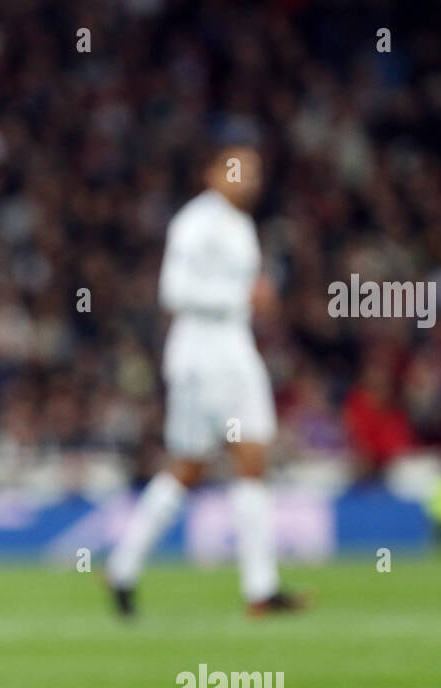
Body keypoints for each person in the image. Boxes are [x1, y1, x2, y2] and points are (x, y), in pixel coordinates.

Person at [106, 143, 304, 617]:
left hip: (237, 349)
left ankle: (261, 589)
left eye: (255, 170)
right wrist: (242, 295)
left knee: (253, 455)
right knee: (189, 468)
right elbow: (173, 291)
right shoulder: (195, 223)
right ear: (212, 172)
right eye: (238, 169)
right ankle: (123, 566)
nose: (248, 178)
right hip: (200, 354)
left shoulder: (241, 225)